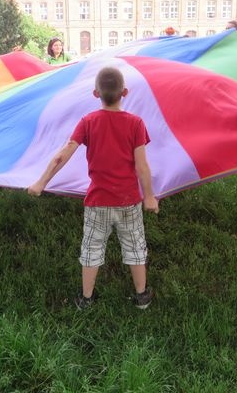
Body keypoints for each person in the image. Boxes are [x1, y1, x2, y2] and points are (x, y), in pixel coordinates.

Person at [28, 66, 159, 309]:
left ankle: (86, 299)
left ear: (95, 93)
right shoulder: (136, 123)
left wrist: (41, 182)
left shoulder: (88, 122)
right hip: (128, 201)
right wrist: (149, 197)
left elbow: (62, 155)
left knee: (92, 248)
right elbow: (142, 166)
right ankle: (141, 296)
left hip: (97, 201)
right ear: (125, 92)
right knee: (134, 246)